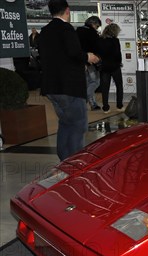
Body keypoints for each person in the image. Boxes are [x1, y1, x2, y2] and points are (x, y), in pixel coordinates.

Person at [38, 0, 99, 160]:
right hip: (69, 87)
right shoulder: (66, 29)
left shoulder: (44, 31)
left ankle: (64, 161)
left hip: (51, 86)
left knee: (65, 123)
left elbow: (54, 57)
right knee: (78, 125)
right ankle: (74, 164)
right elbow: (74, 52)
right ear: (67, 10)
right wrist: (88, 57)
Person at [97, 23, 123, 114]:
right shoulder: (115, 40)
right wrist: (119, 62)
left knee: (105, 88)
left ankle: (105, 107)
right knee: (119, 86)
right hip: (115, 66)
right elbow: (117, 54)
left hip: (104, 66)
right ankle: (119, 106)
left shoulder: (100, 40)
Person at [76, 16, 102, 110]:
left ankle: (93, 104)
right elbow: (96, 47)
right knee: (95, 81)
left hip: (80, 60)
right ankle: (83, 101)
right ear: (93, 23)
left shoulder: (78, 31)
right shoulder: (92, 33)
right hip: (90, 60)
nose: (97, 28)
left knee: (88, 83)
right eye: (97, 26)